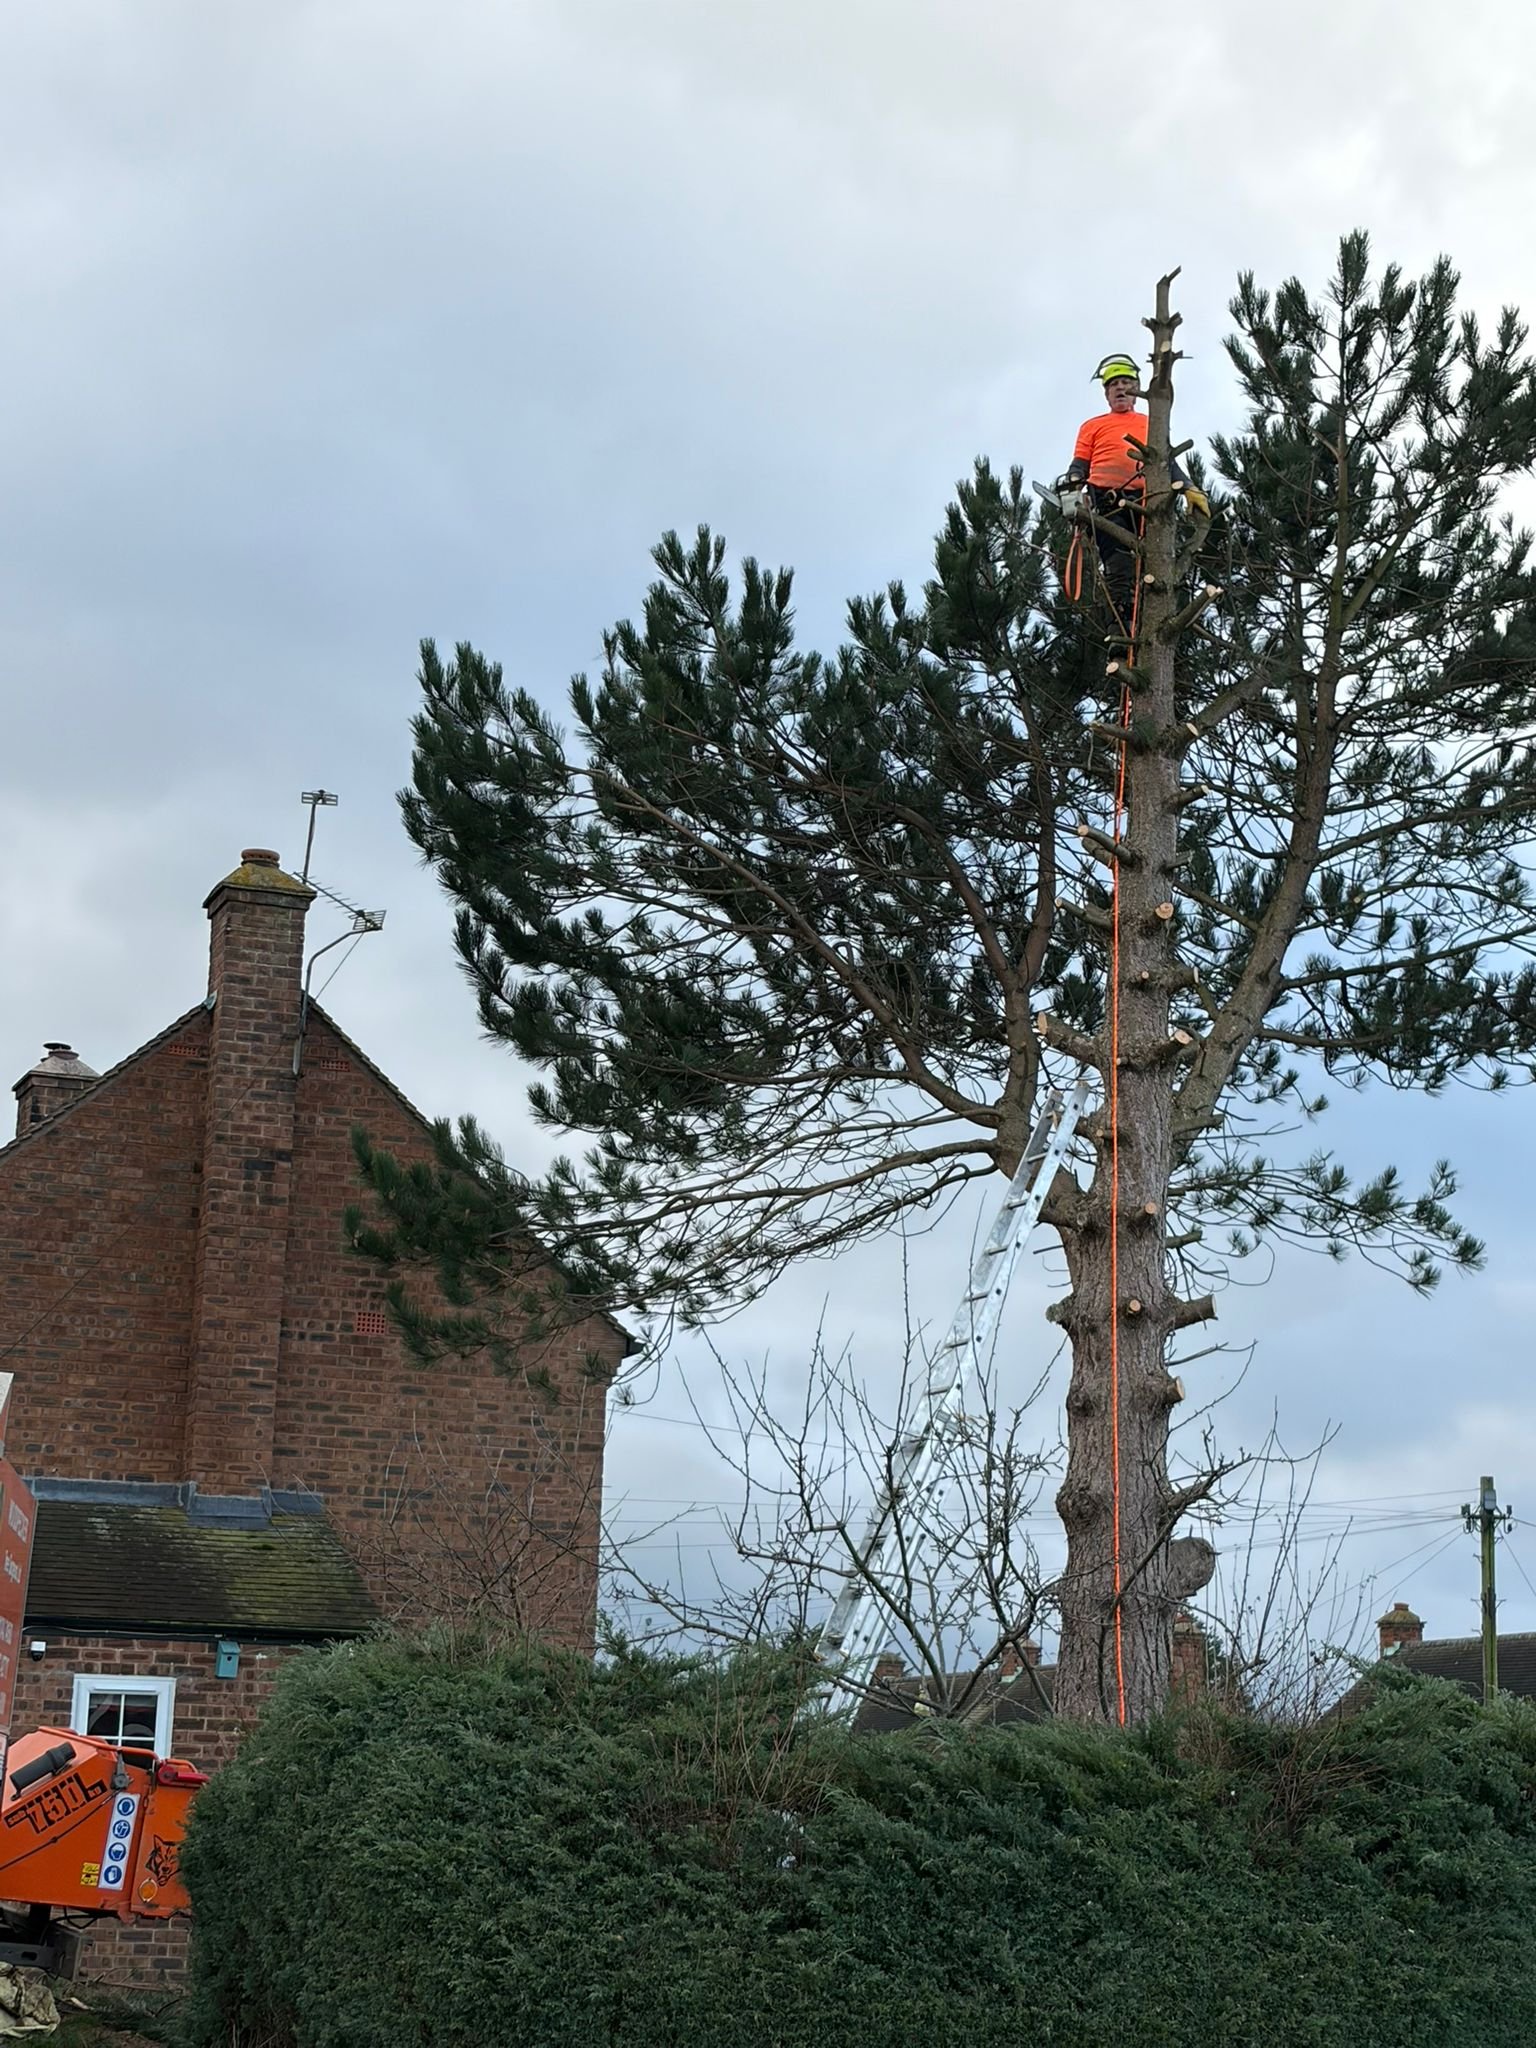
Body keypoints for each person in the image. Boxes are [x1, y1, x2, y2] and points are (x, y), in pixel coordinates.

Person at [1064, 353, 1209, 632]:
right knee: (1119, 565)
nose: (1120, 388)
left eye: (1126, 383)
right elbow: (1079, 464)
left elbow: (1167, 461)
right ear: (1106, 393)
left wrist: (1189, 488)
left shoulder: (1150, 422)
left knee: (1154, 569)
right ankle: (1119, 631)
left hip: (1150, 503)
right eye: (1114, 384)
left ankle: (1151, 626)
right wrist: (1071, 489)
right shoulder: (1093, 426)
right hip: (1106, 501)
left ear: (1136, 391)